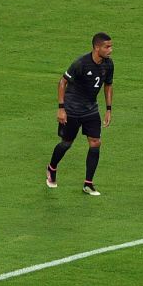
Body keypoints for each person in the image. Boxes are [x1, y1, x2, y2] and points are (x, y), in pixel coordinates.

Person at [46, 32, 114, 196]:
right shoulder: (81, 63)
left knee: (95, 142)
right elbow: (62, 82)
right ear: (97, 47)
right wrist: (61, 108)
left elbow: (108, 85)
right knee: (66, 143)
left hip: (91, 110)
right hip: (72, 109)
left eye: (111, 46)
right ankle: (52, 168)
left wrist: (109, 109)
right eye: (107, 46)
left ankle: (88, 184)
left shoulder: (108, 65)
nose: (110, 50)